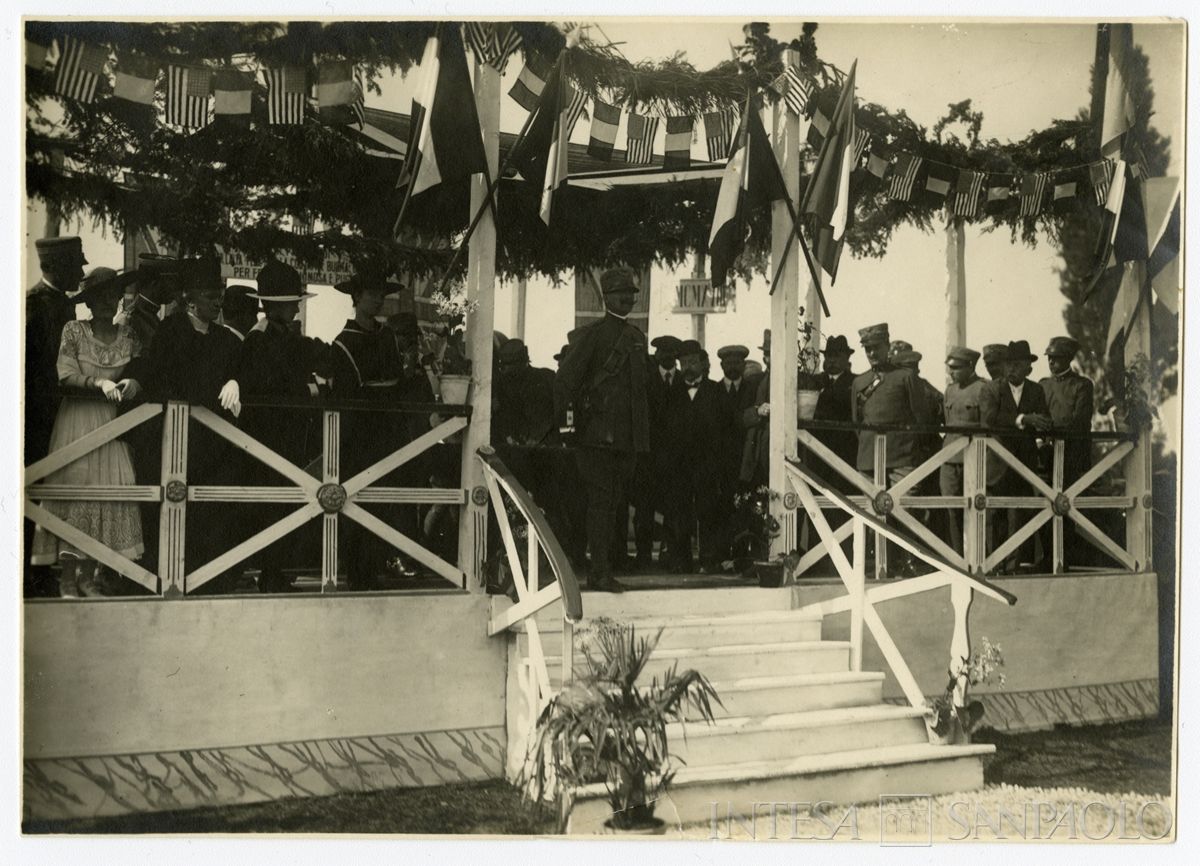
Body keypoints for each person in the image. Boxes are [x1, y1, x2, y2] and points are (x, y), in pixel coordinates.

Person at [30, 267, 146, 597]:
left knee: (110, 493)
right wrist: (99, 382)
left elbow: (140, 368)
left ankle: (89, 575)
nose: (108, 302)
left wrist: (134, 381)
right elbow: (65, 374)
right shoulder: (74, 331)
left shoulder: (129, 335)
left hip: (113, 425)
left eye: (113, 295)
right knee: (76, 493)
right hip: (78, 423)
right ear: (89, 302)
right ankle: (68, 578)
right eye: (100, 297)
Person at [145, 256, 245, 592]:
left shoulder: (226, 338)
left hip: (214, 442)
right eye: (208, 295)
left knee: (211, 507)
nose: (216, 301)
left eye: (218, 293)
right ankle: (170, 576)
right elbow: (164, 379)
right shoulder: (170, 331)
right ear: (190, 297)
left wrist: (235, 380)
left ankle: (209, 575)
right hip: (177, 437)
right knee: (176, 505)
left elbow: (242, 366)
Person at [554, 267, 650, 593]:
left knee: (613, 508)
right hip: (596, 439)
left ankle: (604, 569)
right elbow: (565, 384)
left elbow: (640, 396)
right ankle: (598, 573)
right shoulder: (592, 336)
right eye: (621, 294)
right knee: (600, 507)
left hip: (627, 441)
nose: (627, 298)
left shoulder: (637, 339)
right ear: (606, 298)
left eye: (631, 294)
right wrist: (569, 429)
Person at [238, 260, 331, 592]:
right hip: (267, 433)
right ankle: (269, 571)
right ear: (277, 304)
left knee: (285, 499)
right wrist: (308, 389)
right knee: (270, 501)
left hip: (288, 432)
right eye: (293, 302)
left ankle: (277, 568)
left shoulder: (287, 336)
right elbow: (266, 384)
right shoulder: (259, 338)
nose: (296, 309)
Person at [329, 268, 425, 589]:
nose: (378, 300)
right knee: (357, 501)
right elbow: (345, 392)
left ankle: (385, 563)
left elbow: (398, 383)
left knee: (386, 501)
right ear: (356, 298)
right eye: (371, 294)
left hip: (388, 430)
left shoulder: (387, 337)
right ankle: (358, 573)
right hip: (360, 433)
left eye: (381, 294)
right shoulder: (344, 343)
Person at [24, 236, 87, 594]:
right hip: (36, 417)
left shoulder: (61, 305)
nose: (80, 271)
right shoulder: (34, 306)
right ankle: (28, 574)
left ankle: (43, 569)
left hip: (58, 414)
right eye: (73, 265)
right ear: (52, 267)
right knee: (34, 489)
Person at [851, 323, 933, 577]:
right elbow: (856, 422)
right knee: (869, 508)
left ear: (888, 346)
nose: (872, 354)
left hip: (902, 454)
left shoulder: (905, 377)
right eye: (868, 350)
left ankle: (909, 559)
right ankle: (875, 560)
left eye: (876, 348)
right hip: (868, 456)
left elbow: (922, 418)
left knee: (906, 506)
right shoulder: (859, 382)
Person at [981, 339, 1052, 573]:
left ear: (1028, 368)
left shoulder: (1036, 390)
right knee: (993, 516)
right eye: (1008, 364)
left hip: (1024, 464)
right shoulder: (991, 389)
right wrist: (1024, 419)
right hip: (997, 465)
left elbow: (1044, 419)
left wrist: (1042, 429)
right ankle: (992, 566)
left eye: (1017, 364)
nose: (1011, 369)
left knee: (1017, 517)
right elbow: (990, 420)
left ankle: (1011, 567)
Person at [664, 340, 726, 574]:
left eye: (692, 361)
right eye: (684, 362)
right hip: (678, 466)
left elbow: (726, 428)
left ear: (702, 363)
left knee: (708, 512)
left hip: (707, 465)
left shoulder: (716, 391)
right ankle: (680, 559)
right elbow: (662, 430)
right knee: (679, 513)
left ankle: (708, 559)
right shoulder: (670, 393)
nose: (688, 366)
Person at [1040, 336, 1095, 567]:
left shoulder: (1082, 385)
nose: (1052, 363)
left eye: (1057, 358)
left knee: (1067, 506)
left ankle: (1066, 559)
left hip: (1072, 454)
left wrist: (1052, 430)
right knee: (1044, 505)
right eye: (1050, 358)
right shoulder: (1042, 384)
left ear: (1068, 359)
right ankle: (1046, 558)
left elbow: (1080, 420)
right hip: (1046, 454)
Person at [632, 335, 682, 568]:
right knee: (644, 509)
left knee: (672, 508)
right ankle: (643, 555)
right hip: (648, 458)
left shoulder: (683, 381)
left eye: (672, 353)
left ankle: (668, 554)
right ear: (657, 355)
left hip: (674, 460)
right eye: (663, 352)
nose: (668, 356)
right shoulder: (645, 380)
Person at [939, 347, 988, 554]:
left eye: (956, 368)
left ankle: (978, 555)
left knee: (977, 509)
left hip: (973, 458)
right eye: (950, 368)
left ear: (970, 366)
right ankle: (956, 556)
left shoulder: (983, 388)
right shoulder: (950, 390)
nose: (952, 373)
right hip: (950, 460)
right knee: (951, 509)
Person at [812, 334, 858, 475]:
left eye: (837, 356)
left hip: (844, 447)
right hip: (817, 446)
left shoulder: (855, 382)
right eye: (829, 356)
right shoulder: (815, 381)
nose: (832, 360)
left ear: (847, 358)